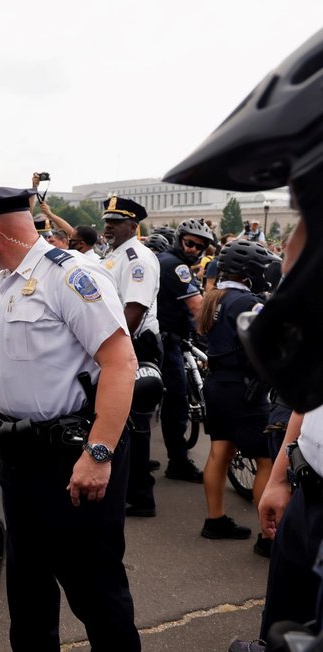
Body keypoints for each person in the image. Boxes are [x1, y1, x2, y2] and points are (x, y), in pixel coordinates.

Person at [162, 29, 323, 641]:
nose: (292, 247)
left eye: (304, 219)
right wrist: (283, 472)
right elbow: (308, 399)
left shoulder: (211, 296)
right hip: (306, 490)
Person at [0, 186, 139, 651]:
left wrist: (98, 454)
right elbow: (2, 362)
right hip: (20, 460)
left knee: (95, 591)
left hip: (72, 458)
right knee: (29, 591)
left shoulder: (72, 276)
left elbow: (121, 363)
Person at [195, 240, 276, 550]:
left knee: (219, 452)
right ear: (250, 272)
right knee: (266, 460)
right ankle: (268, 537)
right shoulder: (247, 301)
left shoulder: (214, 297)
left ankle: (215, 521)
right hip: (244, 388)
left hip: (217, 384)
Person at [101, 197, 163, 518]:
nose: (108, 226)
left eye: (116, 221)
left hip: (134, 344)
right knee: (122, 422)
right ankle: (129, 487)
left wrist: (108, 346)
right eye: (107, 220)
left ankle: (140, 496)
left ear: (133, 226)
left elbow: (134, 311)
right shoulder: (114, 255)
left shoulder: (137, 257)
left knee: (134, 424)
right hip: (121, 343)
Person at [155, 218, 215, 482]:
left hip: (162, 338)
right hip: (168, 341)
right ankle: (178, 463)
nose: (193, 250)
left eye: (199, 247)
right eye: (190, 243)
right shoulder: (177, 267)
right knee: (176, 403)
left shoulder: (163, 260)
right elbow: (197, 307)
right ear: (179, 239)